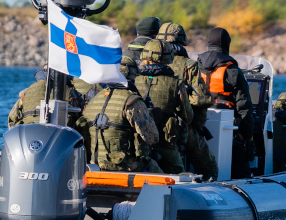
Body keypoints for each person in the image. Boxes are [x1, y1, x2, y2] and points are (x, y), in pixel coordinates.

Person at [157, 22, 219, 180]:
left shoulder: (150, 64)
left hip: (156, 124)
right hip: (183, 126)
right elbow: (202, 99)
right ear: (181, 42)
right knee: (209, 167)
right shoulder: (189, 65)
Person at [198, 27, 254, 178]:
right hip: (228, 127)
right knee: (241, 166)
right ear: (227, 44)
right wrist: (246, 134)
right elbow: (244, 107)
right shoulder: (232, 70)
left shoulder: (195, 66)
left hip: (198, 124)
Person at [133, 40, 193, 174]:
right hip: (165, 143)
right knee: (178, 174)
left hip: (137, 145)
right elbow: (188, 116)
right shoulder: (176, 83)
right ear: (169, 57)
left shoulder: (133, 80)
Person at [82, 76, 162, 173]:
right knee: (160, 171)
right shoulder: (131, 100)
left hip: (94, 166)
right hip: (125, 167)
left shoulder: (93, 101)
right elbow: (152, 138)